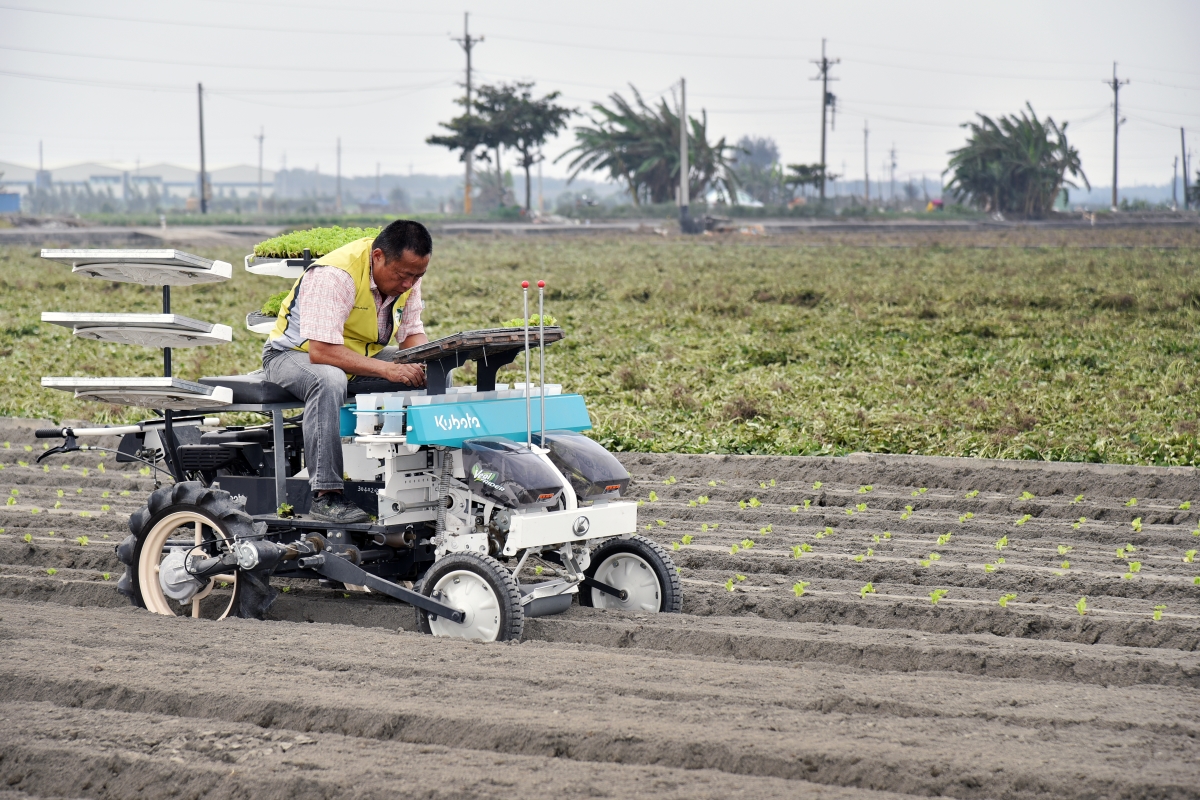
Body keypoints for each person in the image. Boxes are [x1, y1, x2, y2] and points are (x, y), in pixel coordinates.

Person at [263, 220, 431, 523]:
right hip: (292, 355)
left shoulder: (408, 278)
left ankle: (423, 480)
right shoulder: (336, 275)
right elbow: (322, 352)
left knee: (427, 371)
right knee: (329, 379)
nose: (410, 284)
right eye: (404, 275)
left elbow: (411, 337)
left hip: (359, 355)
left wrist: (425, 360)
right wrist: (387, 370)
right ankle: (326, 495)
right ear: (378, 256)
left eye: (418, 275)